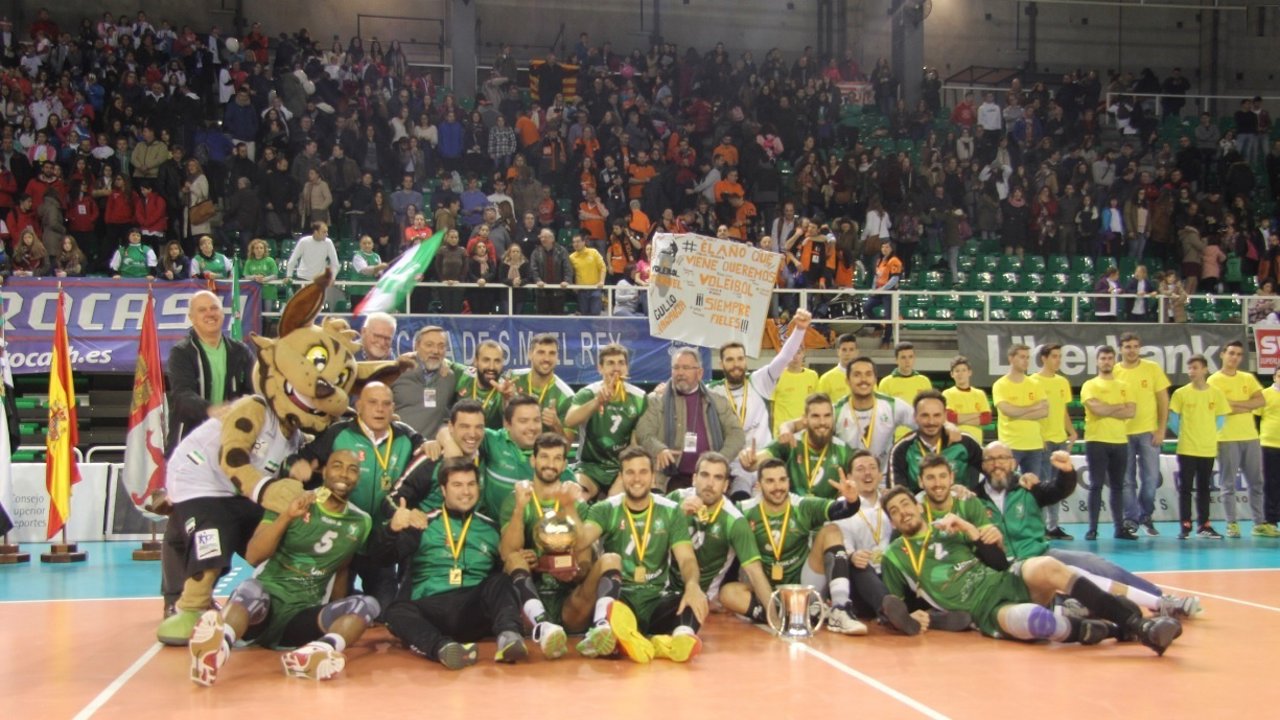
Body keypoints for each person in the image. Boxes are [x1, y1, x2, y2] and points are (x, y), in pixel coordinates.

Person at [880, 487, 1181, 655]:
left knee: (1050, 566)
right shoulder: (895, 556)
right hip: (984, 609)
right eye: (894, 511)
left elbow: (998, 563)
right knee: (1035, 621)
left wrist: (971, 529)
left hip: (1003, 578)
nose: (903, 512)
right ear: (892, 523)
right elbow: (894, 604)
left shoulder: (949, 527)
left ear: (919, 507)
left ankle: (1141, 628)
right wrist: (914, 615)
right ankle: (1116, 627)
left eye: (906, 504)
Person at [187, 450, 378, 686]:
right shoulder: (291, 498)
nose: (345, 474)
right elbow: (253, 555)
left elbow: (342, 568)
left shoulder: (361, 522)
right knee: (251, 588)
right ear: (325, 471)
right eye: (337, 466)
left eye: (353, 469)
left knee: (367, 605)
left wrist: (336, 613)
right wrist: (287, 516)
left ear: (358, 478)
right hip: (260, 610)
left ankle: (313, 655)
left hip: (300, 618)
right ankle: (218, 649)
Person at [974, 443, 1199, 617]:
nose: (997, 464)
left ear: (1013, 462)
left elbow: (1058, 490)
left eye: (1002, 458)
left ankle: (1163, 600)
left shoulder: (1029, 487)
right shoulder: (973, 498)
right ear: (983, 465)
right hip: (1005, 566)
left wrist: (1067, 472)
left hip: (1042, 553)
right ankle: (1082, 607)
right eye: (991, 459)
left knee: (1095, 565)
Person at [158, 290, 257, 615]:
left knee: (219, 522)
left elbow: (253, 393)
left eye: (214, 308)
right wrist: (213, 410)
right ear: (192, 317)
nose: (210, 314)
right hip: (190, 450)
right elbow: (182, 397)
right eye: (202, 310)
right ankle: (175, 600)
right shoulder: (182, 353)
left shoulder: (239, 350)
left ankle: (203, 593)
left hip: (230, 449)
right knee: (178, 528)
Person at [378, 459, 529, 670]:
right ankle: (444, 648)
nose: (465, 491)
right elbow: (384, 558)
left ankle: (509, 637)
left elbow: (503, 574)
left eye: (471, 484)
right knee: (395, 612)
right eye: (457, 485)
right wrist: (392, 531)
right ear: (443, 489)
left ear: (479, 487)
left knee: (501, 581)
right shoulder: (422, 523)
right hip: (432, 607)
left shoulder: (490, 528)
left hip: (473, 607)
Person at [563, 447, 709, 662]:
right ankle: (632, 638)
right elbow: (581, 540)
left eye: (643, 472)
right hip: (622, 597)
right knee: (615, 611)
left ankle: (679, 639)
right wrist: (569, 506)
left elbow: (686, 558)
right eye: (629, 472)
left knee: (693, 599)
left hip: (655, 599)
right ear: (621, 477)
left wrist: (693, 586)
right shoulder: (606, 509)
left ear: (652, 477)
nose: (637, 479)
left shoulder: (670, 511)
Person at [297, 382, 424, 612]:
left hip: (381, 541)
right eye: (373, 403)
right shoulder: (339, 433)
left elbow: (430, 453)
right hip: (341, 538)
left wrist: (439, 441)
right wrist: (301, 469)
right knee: (331, 609)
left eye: (386, 404)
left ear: (393, 408)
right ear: (359, 406)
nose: (380, 409)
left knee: (384, 612)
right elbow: (304, 460)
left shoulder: (406, 436)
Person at [721, 458, 867, 635]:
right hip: (765, 589)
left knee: (831, 530)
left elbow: (839, 510)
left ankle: (840, 609)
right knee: (728, 593)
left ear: (789, 481)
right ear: (759, 485)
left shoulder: (802, 505)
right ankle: (785, 615)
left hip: (804, 584)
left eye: (782, 480)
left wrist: (852, 501)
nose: (778, 487)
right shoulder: (744, 510)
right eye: (770, 481)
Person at [497, 434, 597, 657]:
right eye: (544, 457)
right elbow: (507, 554)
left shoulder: (576, 502)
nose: (550, 464)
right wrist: (520, 509)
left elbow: (585, 562)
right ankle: (542, 623)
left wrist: (573, 572)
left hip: (568, 601)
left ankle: (602, 626)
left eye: (557, 458)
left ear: (564, 463)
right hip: (529, 599)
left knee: (606, 563)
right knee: (515, 559)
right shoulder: (516, 498)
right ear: (533, 461)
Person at [709, 310, 811, 494]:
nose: (736, 364)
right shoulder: (712, 391)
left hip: (763, 462)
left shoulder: (760, 381)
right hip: (732, 466)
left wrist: (799, 330)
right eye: (730, 360)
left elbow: (784, 357)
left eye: (740, 359)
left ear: (746, 361)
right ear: (721, 363)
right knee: (740, 503)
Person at [665, 452, 772, 612]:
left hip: (703, 597)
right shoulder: (676, 500)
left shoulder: (734, 521)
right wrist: (677, 516)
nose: (710, 483)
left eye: (718, 477)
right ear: (694, 479)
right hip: (664, 590)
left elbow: (755, 572)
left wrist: (776, 620)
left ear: (726, 485)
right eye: (705, 475)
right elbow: (648, 539)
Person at [636, 348, 746, 491]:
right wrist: (659, 450)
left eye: (686, 368)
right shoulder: (656, 401)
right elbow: (643, 433)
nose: (680, 373)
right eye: (676, 367)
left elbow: (736, 434)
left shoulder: (718, 401)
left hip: (710, 477)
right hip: (672, 477)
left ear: (699, 373)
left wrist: (720, 460)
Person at [565, 343, 647, 498]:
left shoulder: (640, 398)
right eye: (610, 363)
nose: (616, 368)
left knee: (614, 501)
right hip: (589, 467)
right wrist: (597, 402)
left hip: (622, 467)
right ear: (600, 368)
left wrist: (627, 469)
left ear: (627, 368)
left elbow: (636, 443)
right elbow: (570, 420)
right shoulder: (588, 393)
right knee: (575, 496)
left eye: (621, 363)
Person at [1208, 341, 1269, 538]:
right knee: (1228, 484)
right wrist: (1246, 405)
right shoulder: (1214, 381)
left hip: (1250, 436)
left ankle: (1259, 523)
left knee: (1257, 482)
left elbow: (1261, 401)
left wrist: (1235, 405)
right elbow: (1220, 408)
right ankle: (1231, 523)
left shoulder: (1248, 378)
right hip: (1226, 438)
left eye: (1238, 354)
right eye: (1231, 353)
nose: (1234, 357)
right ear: (1223, 354)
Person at [740, 393, 854, 499]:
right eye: (815, 416)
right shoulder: (790, 442)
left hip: (830, 515)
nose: (822, 422)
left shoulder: (843, 450)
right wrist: (749, 459)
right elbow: (759, 460)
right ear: (805, 419)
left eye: (827, 416)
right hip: (792, 516)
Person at [1113, 332, 1171, 537]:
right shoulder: (1114, 371)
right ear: (1121, 349)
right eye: (1128, 346)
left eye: (1135, 346)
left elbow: (1163, 400)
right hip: (1122, 434)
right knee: (1127, 480)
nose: (1132, 350)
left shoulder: (1152, 369)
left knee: (1151, 479)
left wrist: (1161, 429)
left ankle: (1145, 514)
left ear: (1140, 348)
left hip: (1148, 432)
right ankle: (1131, 518)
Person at [1170, 355, 1230, 539]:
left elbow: (1221, 418)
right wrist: (1185, 434)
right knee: (1186, 488)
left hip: (1207, 448)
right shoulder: (1181, 393)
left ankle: (1204, 524)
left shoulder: (1216, 393)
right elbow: (1173, 420)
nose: (1191, 371)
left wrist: (1210, 434)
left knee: (1204, 487)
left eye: (1195, 367)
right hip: (1187, 448)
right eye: (1189, 368)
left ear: (1205, 369)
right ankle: (1185, 525)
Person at [1081, 346, 1137, 541]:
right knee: (1096, 485)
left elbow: (1131, 411)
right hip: (1096, 440)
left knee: (1118, 487)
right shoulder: (1090, 385)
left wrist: (1107, 408)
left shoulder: (1124, 386)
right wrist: (1118, 407)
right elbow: (1097, 410)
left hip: (1120, 441)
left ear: (1114, 361)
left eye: (1110, 358)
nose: (1106, 361)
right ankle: (1092, 528)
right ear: (1097, 361)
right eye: (1103, 358)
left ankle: (1119, 528)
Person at [889, 390, 985, 493]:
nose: (931, 422)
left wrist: (976, 495)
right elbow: (897, 495)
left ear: (945, 416)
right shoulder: (902, 449)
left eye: (937, 415)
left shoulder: (965, 442)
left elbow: (994, 471)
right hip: (918, 508)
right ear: (915, 417)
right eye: (925, 415)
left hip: (959, 508)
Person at [1033, 343, 1078, 540]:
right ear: (1044, 358)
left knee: (1058, 485)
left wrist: (1072, 432)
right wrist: (1038, 436)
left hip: (1060, 439)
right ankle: (1040, 527)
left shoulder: (1062, 382)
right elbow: (1034, 412)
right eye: (1054, 356)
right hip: (1044, 440)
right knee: (1043, 485)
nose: (1058, 360)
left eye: (1060, 356)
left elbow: (1063, 411)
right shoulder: (1033, 381)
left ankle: (1054, 526)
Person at [992, 343, 1048, 483]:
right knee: (1005, 485)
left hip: (1034, 445)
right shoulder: (1000, 385)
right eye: (1022, 357)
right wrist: (1034, 406)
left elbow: (1045, 411)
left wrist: (1018, 413)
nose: (1026, 361)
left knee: (1033, 489)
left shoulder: (1035, 384)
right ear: (1011, 359)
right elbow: (1008, 411)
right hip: (1010, 445)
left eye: (1028, 357)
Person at [390, 325, 457, 439]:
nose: (435, 351)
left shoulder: (450, 377)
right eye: (429, 345)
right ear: (417, 346)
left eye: (441, 346)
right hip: (397, 445)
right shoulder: (397, 373)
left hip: (431, 450)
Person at [509, 333, 575, 440]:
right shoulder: (513, 379)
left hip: (543, 455)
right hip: (511, 451)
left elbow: (566, 448)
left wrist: (556, 425)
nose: (546, 359)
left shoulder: (567, 396)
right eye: (541, 352)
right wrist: (506, 399)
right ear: (530, 354)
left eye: (552, 353)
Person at [1254, 366, 1280, 538]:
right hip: (1269, 445)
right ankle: (1270, 521)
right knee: (1271, 484)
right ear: (1274, 376)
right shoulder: (1264, 395)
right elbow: (1255, 419)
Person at [942, 355, 991, 443]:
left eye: (964, 370)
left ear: (969, 372)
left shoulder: (979, 394)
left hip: (976, 442)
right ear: (952, 374)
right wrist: (976, 414)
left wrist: (960, 419)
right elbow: (950, 418)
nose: (960, 374)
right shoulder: (947, 394)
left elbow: (986, 418)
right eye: (957, 371)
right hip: (955, 442)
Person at [567, 233, 606, 316]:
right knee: (584, 316)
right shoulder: (571, 257)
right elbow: (568, 273)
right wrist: (572, 285)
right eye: (574, 242)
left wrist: (602, 281)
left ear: (584, 242)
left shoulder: (594, 252)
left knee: (595, 315)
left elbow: (602, 267)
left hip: (595, 288)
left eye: (578, 241)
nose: (576, 244)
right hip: (581, 291)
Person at [817, 333, 859, 404]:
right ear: (838, 352)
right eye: (844, 350)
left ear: (857, 352)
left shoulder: (866, 377)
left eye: (851, 350)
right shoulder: (827, 378)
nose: (847, 353)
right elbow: (819, 405)